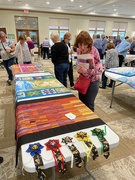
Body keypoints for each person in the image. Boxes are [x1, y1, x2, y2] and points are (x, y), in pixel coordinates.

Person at [74, 31, 102, 112]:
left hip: (93, 81)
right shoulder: (79, 50)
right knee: (81, 104)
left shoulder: (94, 50)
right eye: (80, 44)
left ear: (89, 43)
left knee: (89, 105)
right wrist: (79, 69)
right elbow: (80, 63)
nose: (82, 47)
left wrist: (86, 71)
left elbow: (99, 70)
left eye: (85, 44)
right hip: (83, 79)